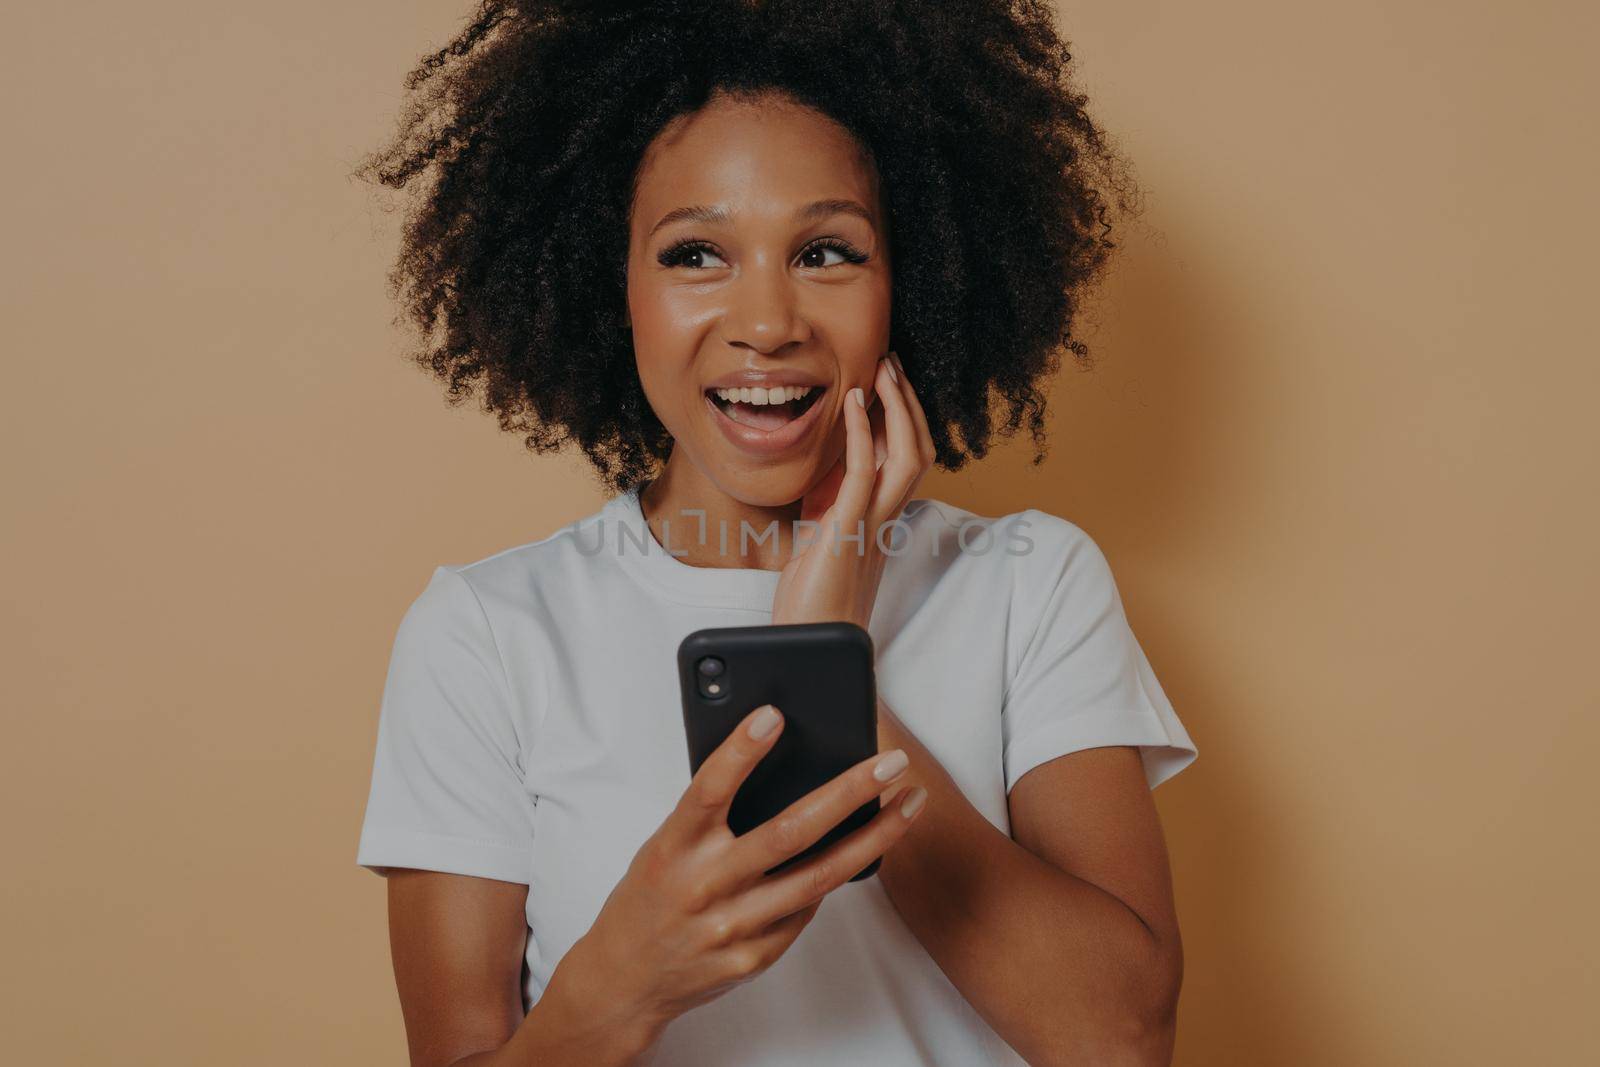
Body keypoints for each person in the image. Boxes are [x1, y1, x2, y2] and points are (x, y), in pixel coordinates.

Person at [353, 2, 1198, 1064]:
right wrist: (621, 978)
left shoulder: (1030, 583)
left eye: (828, 250)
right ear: (612, 285)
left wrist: (820, 651)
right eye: (696, 251)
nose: (766, 320)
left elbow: (1121, 1038)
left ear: (911, 281)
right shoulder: (486, 632)